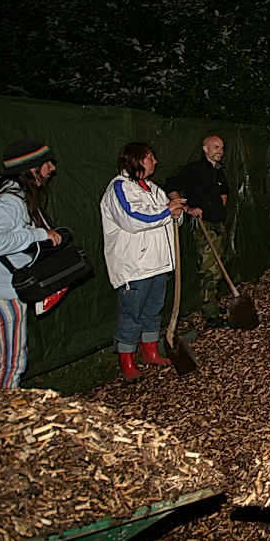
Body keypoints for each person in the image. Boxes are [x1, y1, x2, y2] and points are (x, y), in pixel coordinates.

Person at [0, 140, 63, 394]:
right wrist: (38, 235)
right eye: (47, 163)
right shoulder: (8, 200)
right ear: (31, 168)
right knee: (10, 362)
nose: (52, 168)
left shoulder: (14, 195)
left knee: (4, 357)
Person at [100, 142, 186, 382]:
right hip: (134, 266)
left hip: (158, 263)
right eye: (150, 157)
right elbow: (133, 219)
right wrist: (166, 212)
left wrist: (176, 214)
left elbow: (166, 218)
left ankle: (150, 352)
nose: (155, 162)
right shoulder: (118, 189)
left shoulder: (152, 188)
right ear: (137, 160)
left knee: (153, 310)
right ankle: (127, 361)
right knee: (131, 314)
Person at [165, 135, 230, 329]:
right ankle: (210, 315)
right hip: (204, 226)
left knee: (218, 267)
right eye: (216, 147)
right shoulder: (193, 170)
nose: (220, 151)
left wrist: (219, 205)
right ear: (205, 148)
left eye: (222, 148)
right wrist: (187, 208)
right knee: (209, 269)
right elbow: (171, 186)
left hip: (219, 223)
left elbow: (224, 193)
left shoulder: (218, 171)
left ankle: (213, 306)